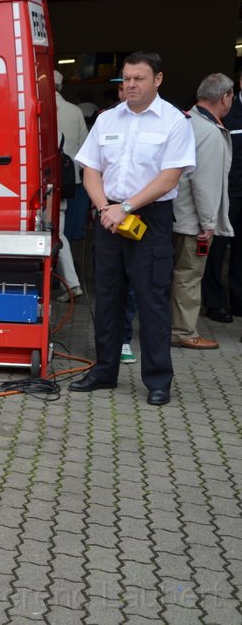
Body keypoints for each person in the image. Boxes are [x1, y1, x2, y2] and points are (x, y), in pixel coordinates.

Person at [70, 51, 196, 406]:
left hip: (150, 219)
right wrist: (103, 208)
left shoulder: (174, 121)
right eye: (126, 79)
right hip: (109, 216)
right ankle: (104, 371)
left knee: (151, 299)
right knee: (107, 297)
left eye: (139, 78)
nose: (130, 85)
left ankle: (158, 380)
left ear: (158, 79)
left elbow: (170, 176)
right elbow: (90, 169)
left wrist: (124, 207)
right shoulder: (107, 119)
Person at [170, 73, 234, 349]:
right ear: (225, 97)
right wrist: (208, 224)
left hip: (174, 214)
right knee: (188, 276)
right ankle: (183, 331)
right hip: (192, 220)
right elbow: (204, 182)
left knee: (172, 274)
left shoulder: (185, 122)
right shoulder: (209, 132)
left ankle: (169, 325)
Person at [202, 70, 242, 323]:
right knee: (216, 250)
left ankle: (238, 301)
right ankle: (214, 302)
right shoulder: (226, 114)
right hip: (227, 192)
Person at [53, 70, 88, 300]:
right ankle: (67, 282)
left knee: (57, 233)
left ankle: (71, 283)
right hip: (71, 180)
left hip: (49, 181)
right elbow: (87, 148)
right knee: (62, 230)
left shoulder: (36, 105)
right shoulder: (75, 111)